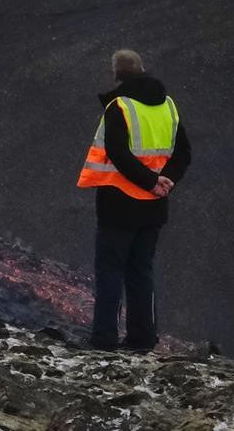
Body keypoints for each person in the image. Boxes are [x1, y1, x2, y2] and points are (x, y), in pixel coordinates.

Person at [75, 48, 192, 352]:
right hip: (154, 207)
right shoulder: (168, 106)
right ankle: (142, 338)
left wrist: (150, 181)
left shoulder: (120, 107)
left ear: (116, 74)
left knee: (111, 271)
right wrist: (164, 182)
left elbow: (117, 152)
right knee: (141, 271)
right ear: (142, 69)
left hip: (119, 205)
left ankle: (104, 339)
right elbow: (183, 154)